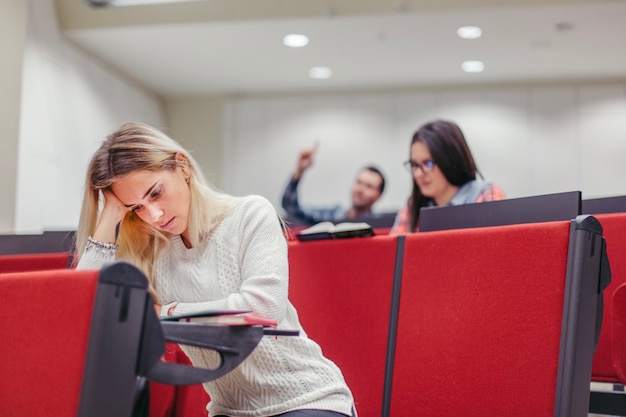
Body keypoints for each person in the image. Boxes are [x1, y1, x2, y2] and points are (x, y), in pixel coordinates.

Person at [74, 122, 357, 417]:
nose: (153, 216)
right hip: (230, 410)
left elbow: (262, 311)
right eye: (136, 207)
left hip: (305, 398)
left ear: (181, 166)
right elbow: (82, 312)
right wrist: (110, 214)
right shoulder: (151, 249)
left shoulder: (250, 214)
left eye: (155, 193)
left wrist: (166, 312)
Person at [390, 120, 506, 235]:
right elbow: (394, 250)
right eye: (415, 165)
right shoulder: (413, 206)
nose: (418, 174)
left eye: (428, 163)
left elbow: (492, 247)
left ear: (450, 160)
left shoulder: (485, 193)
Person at [281, 144, 385, 226]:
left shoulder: (380, 224)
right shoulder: (332, 215)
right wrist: (300, 171)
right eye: (358, 182)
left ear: (378, 196)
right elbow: (290, 207)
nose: (360, 189)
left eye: (369, 186)